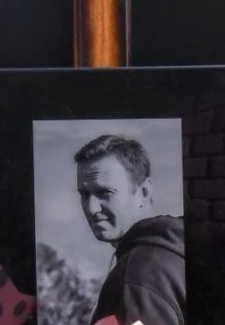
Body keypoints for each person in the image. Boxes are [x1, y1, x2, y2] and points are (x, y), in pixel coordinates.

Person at [75, 135, 185, 325]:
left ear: (144, 191)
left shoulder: (137, 275)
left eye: (105, 192)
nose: (91, 208)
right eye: (84, 194)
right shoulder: (174, 252)